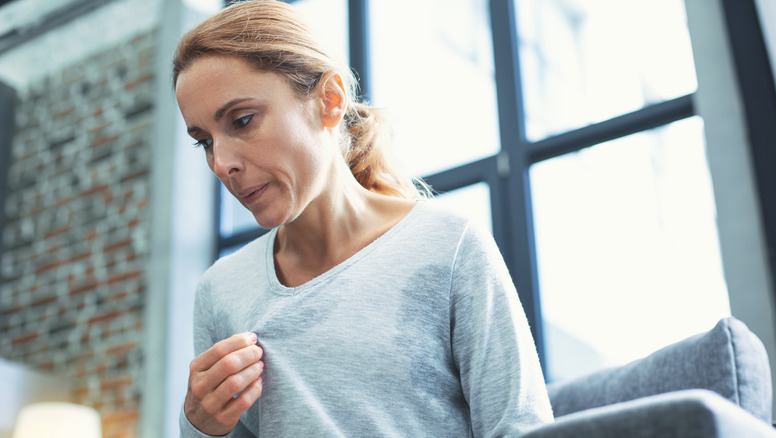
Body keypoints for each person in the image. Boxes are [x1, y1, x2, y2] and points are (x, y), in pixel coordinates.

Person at [173, 1, 553, 436]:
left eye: (242, 121)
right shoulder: (220, 291)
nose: (221, 163)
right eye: (204, 142)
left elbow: (521, 428)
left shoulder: (449, 245)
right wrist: (200, 425)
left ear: (329, 101)